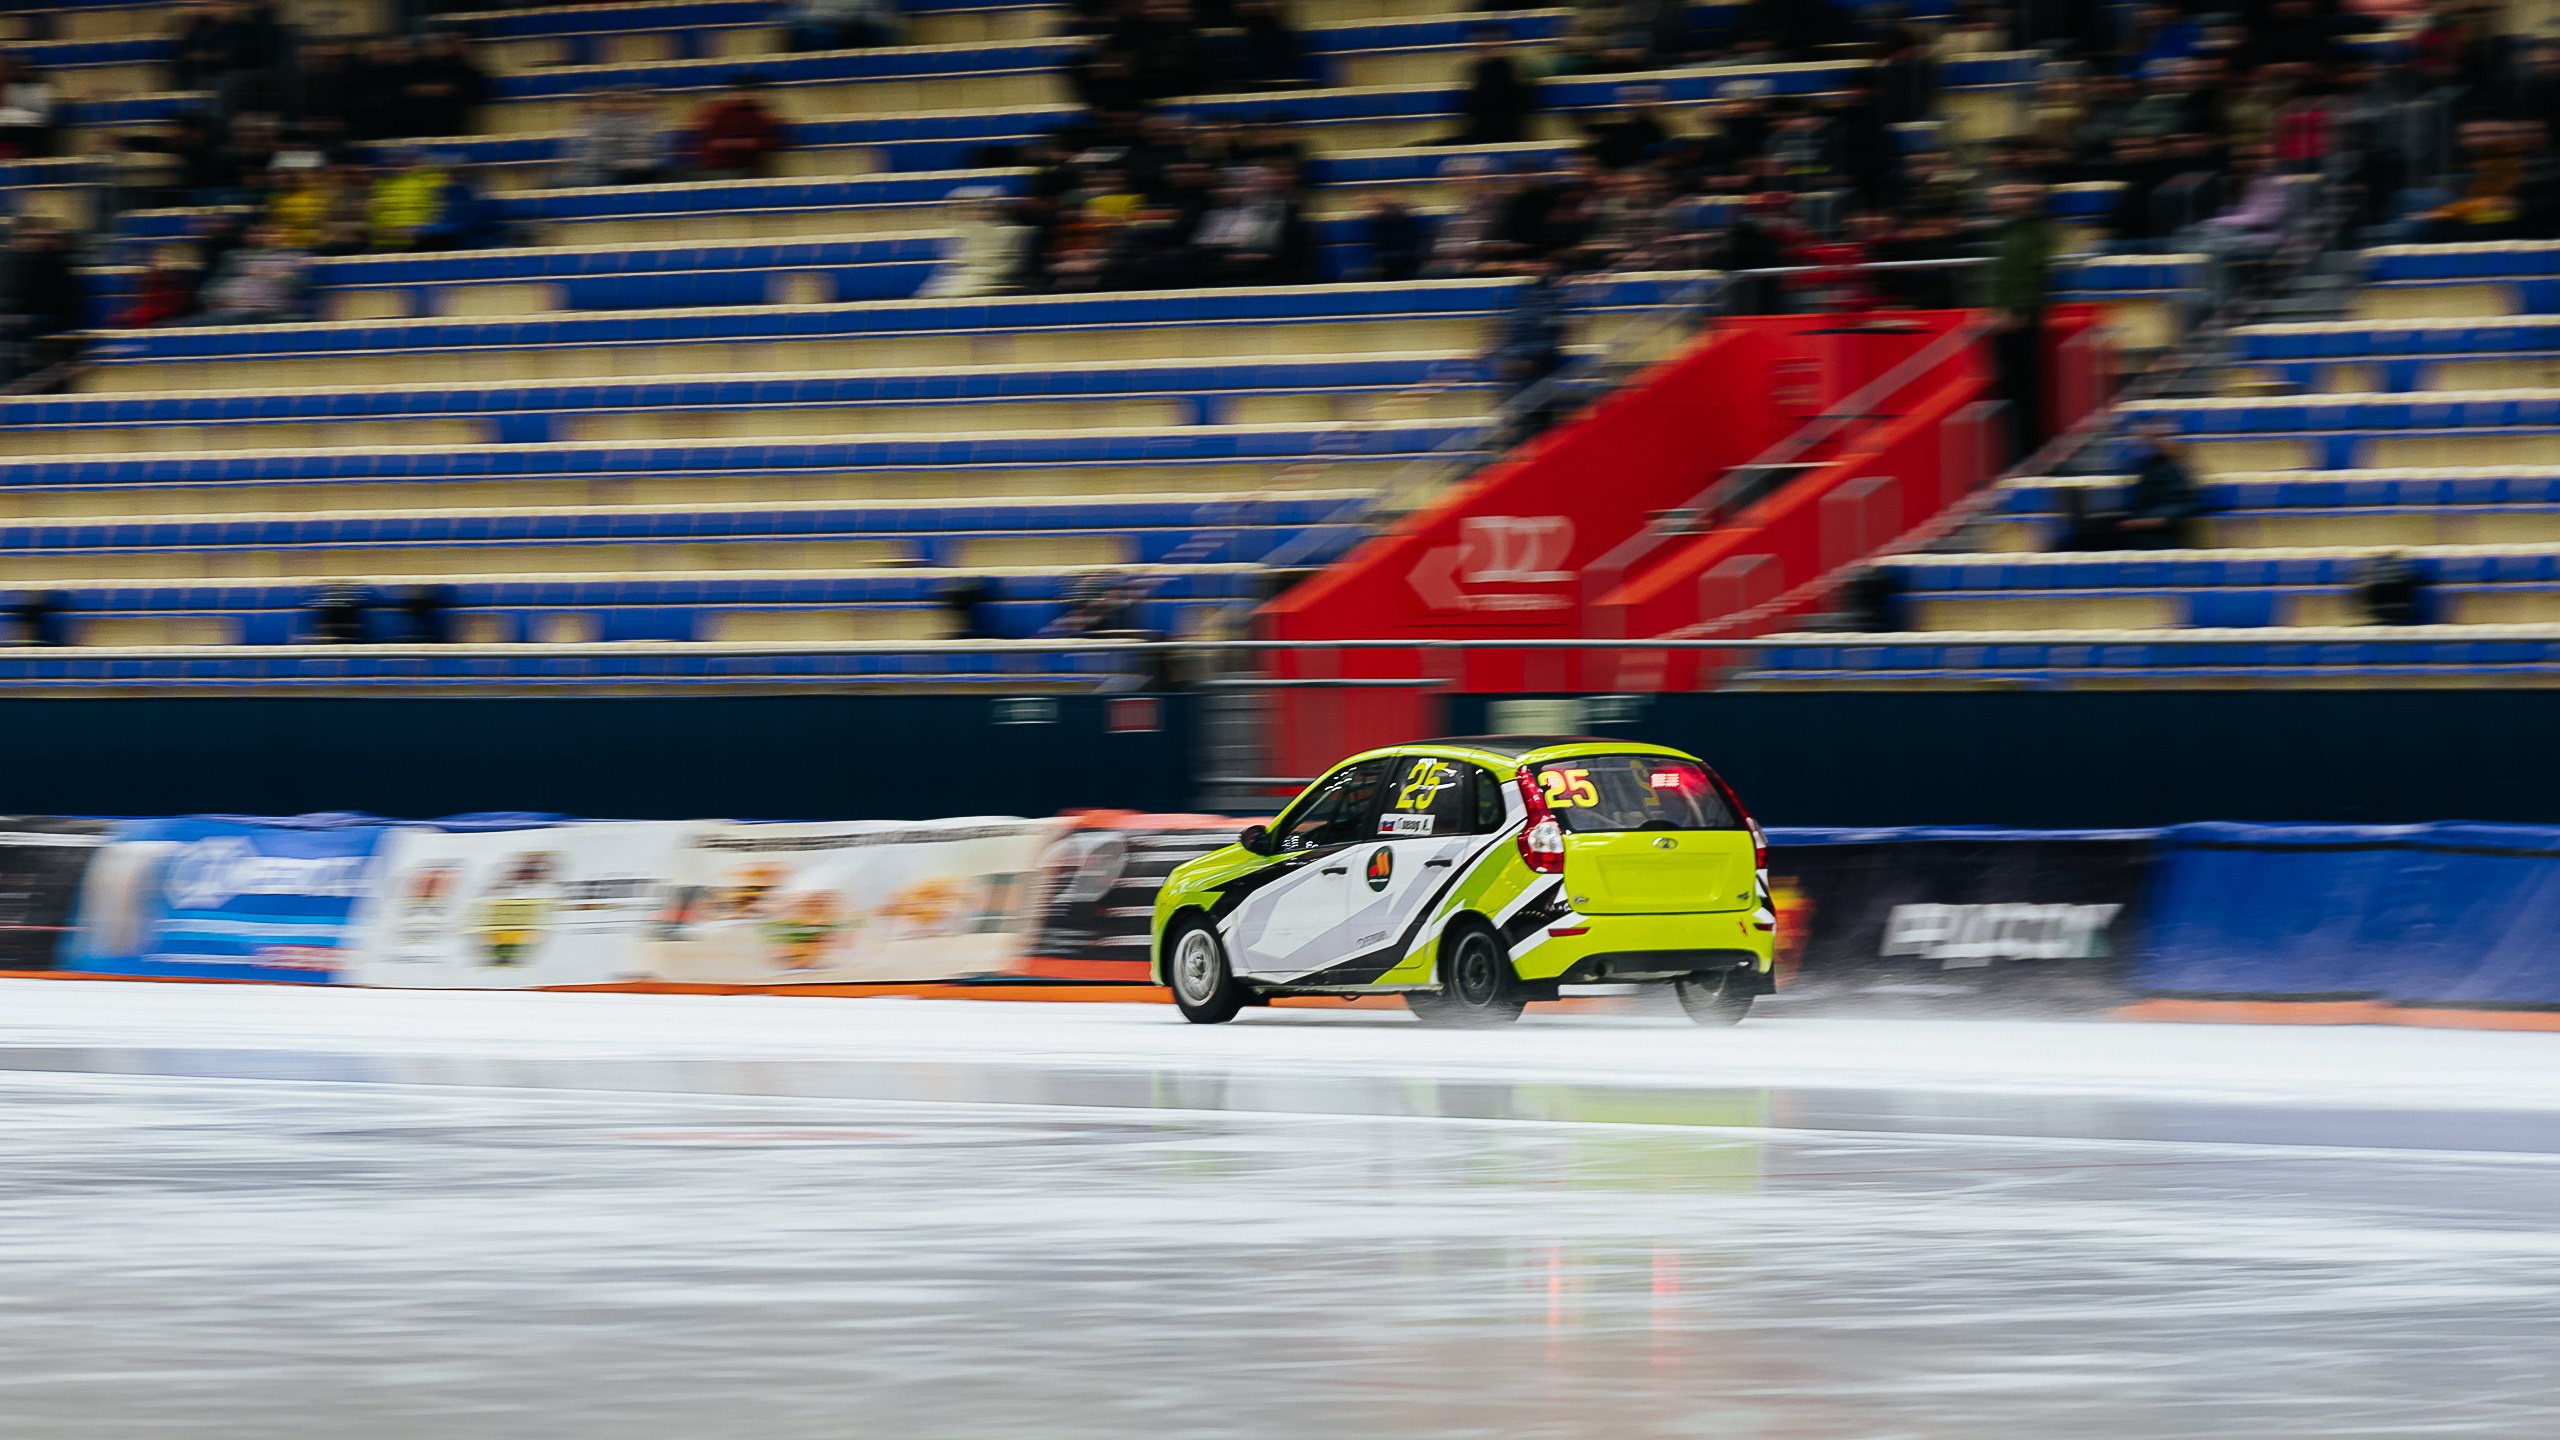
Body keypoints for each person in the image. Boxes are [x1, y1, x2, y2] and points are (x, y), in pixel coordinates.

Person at [1985, 181, 2055, 459]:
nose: (2006, 199)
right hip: (2008, 320)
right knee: (2015, 394)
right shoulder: (2010, 233)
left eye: (2016, 193)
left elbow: (2031, 278)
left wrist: (2019, 312)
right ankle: (2020, 452)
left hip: (2019, 323)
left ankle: (2029, 453)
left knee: (2025, 394)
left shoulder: (2031, 234)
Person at [2062, 419, 2206, 550]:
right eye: (2152, 438)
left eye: (2161, 438)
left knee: (2090, 538)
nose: (2153, 443)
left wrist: (2132, 523)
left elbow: (2171, 514)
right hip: (2138, 531)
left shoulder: (2175, 471)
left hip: (2155, 538)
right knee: (2088, 533)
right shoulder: (2152, 466)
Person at [919, 185, 1026, 298]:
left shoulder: (1013, 232)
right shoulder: (960, 233)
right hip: (964, 279)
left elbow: (1008, 267)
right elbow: (954, 264)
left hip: (992, 282)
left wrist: (981, 272)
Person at [193, 222, 309, 324]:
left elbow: (296, 284)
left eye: (270, 233)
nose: (260, 236)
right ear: (245, 236)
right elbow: (210, 289)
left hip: (258, 313)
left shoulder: (294, 258)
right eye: (253, 233)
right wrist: (211, 300)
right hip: (223, 310)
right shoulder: (233, 257)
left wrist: (278, 275)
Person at [1443, 25, 1537, 146]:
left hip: (1498, 139)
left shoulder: (1507, 71)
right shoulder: (1483, 69)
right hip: (1489, 136)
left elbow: (1476, 106)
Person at [563, 88, 665, 187]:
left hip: (619, 172)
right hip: (603, 171)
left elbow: (605, 157)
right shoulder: (590, 123)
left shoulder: (614, 123)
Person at [691, 74, 787, 179]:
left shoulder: (758, 116)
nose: (744, 95)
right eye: (742, 92)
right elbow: (710, 141)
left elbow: (768, 143)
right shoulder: (720, 111)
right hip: (719, 167)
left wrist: (737, 143)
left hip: (741, 169)